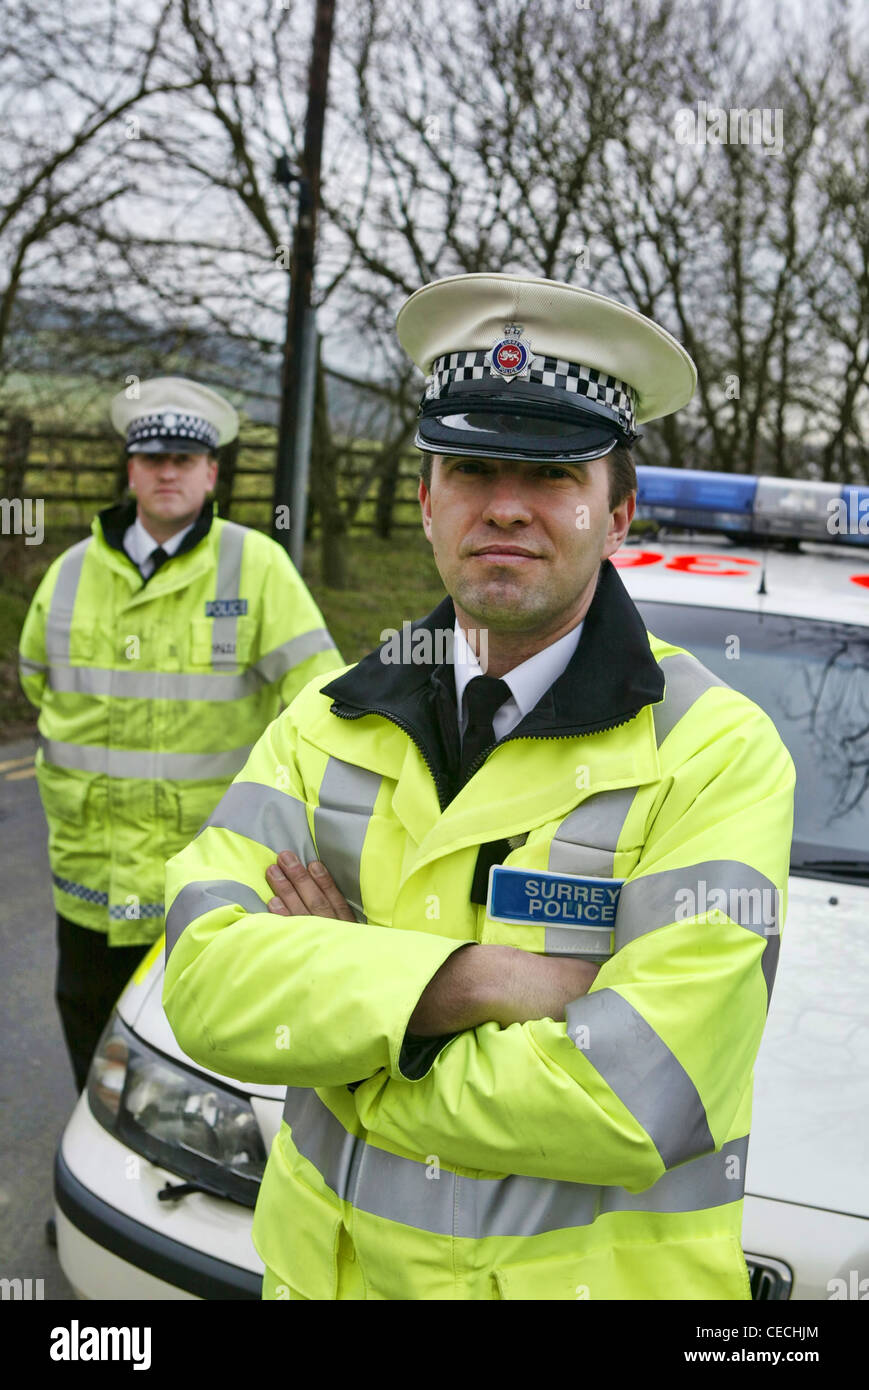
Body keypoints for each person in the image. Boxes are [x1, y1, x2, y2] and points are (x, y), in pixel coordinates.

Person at [162, 277, 795, 1301]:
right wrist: (467, 982)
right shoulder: (324, 718)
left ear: (617, 509)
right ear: (426, 500)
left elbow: (636, 1097)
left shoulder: (715, 751)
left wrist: (344, 1031)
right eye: (470, 467)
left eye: (550, 474)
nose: (505, 504)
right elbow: (198, 977)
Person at [18, 376, 342, 1094]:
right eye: (153, 457)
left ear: (211, 472)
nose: (168, 471)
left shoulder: (255, 566)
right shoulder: (70, 573)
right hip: (90, 878)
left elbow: (317, 705)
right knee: (90, 1027)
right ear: (131, 469)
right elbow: (38, 685)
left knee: (194, 1058)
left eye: (185, 459)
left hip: (206, 877)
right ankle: (97, 1171)